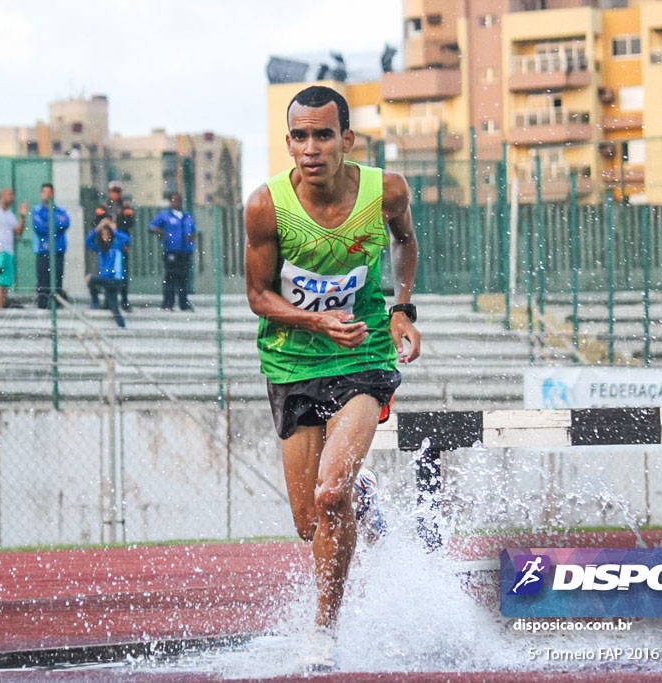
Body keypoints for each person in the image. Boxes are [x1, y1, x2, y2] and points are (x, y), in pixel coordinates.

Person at [244, 85, 421, 670]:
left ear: (347, 139)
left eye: (324, 135)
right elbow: (258, 295)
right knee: (306, 521)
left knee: (328, 493)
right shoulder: (265, 206)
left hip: (363, 355)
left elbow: (405, 242)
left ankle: (324, 629)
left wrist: (400, 308)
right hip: (293, 361)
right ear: (289, 142)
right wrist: (314, 320)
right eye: (299, 136)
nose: (311, 147)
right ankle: (359, 496)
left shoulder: (386, 190)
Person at [149, 191, 196, 311]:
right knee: (170, 277)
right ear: (170, 201)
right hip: (171, 250)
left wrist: (191, 237)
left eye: (179, 200)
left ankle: (183, 303)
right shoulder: (165, 215)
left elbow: (193, 230)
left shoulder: (187, 216)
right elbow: (151, 227)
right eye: (174, 200)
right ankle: (168, 303)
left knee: (183, 278)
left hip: (185, 251)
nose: (177, 202)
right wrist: (160, 233)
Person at [95, 181, 135, 311]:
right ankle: (108, 300)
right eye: (113, 191)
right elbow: (97, 221)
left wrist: (119, 217)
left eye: (117, 191)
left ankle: (124, 300)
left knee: (122, 273)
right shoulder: (104, 206)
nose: (115, 194)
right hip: (107, 245)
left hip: (120, 244)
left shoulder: (125, 207)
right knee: (106, 274)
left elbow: (129, 223)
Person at [30, 183, 71, 309]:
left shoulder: (60, 210)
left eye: (49, 192)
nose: (47, 195)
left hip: (58, 249)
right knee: (43, 277)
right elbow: (38, 226)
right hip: (43, 249)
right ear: (41, 194)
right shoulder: (37, 210)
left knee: (57, 276)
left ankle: (56, 304)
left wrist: (49, 223)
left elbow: (65, 223)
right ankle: (42, 303)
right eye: (44, 192)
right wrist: (54, 225)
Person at [84, 218, 130, 328]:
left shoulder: (116, 245)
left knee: (90, 278)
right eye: (103, 234)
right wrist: (97, 228)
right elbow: (87, 242)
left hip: (115, 279)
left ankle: (95, 301)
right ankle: (122, 326)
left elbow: (127, 239)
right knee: (113, 306)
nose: (105, 237)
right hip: (107, 280)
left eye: (107, 234)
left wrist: (114, 229)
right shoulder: (101, 247)